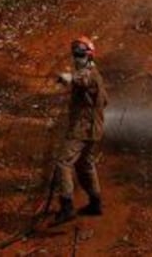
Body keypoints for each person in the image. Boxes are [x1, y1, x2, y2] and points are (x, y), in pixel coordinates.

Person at [52, 35, 108, 224]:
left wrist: (66, 78)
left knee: (63, 163)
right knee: (85, 165)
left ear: (89, 56)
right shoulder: (94, 73)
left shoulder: (89, 73)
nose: (77, 58)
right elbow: (105, 101)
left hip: (82, 129)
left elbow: (81, 80)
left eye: (80, 54)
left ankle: (66, 207)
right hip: (94, 129)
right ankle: (95, 203)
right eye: (75, 54)